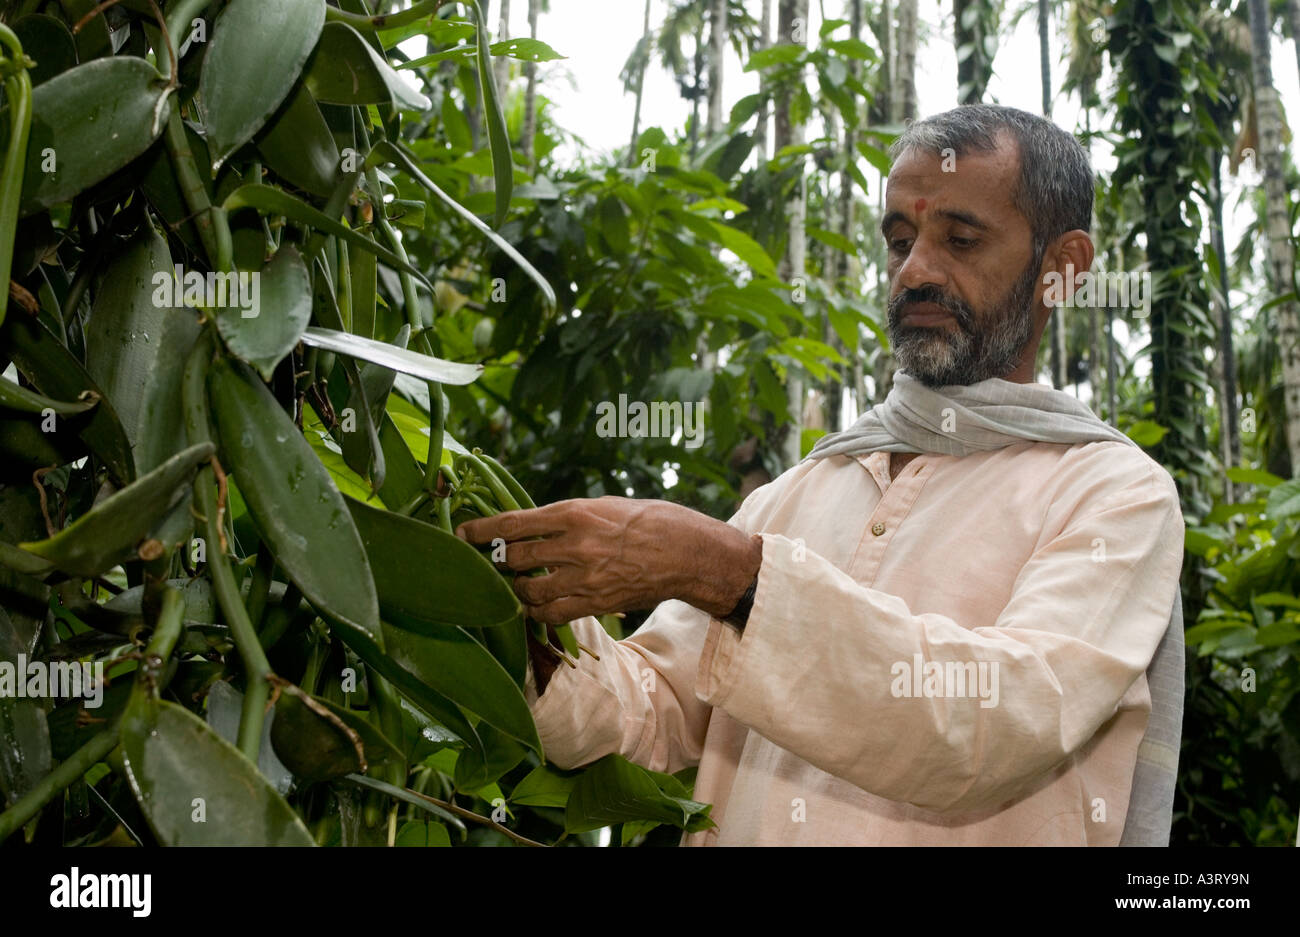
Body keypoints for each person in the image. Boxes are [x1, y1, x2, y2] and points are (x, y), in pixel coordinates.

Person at [456, 104, 1186, 846]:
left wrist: (724, 572)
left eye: (959, 239)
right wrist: (515, 626)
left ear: (1062, 269)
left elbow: (997, 720)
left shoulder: (1113, 495)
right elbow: (651, 713)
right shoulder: (802, 489)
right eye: (900, 241)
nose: (916, 271)